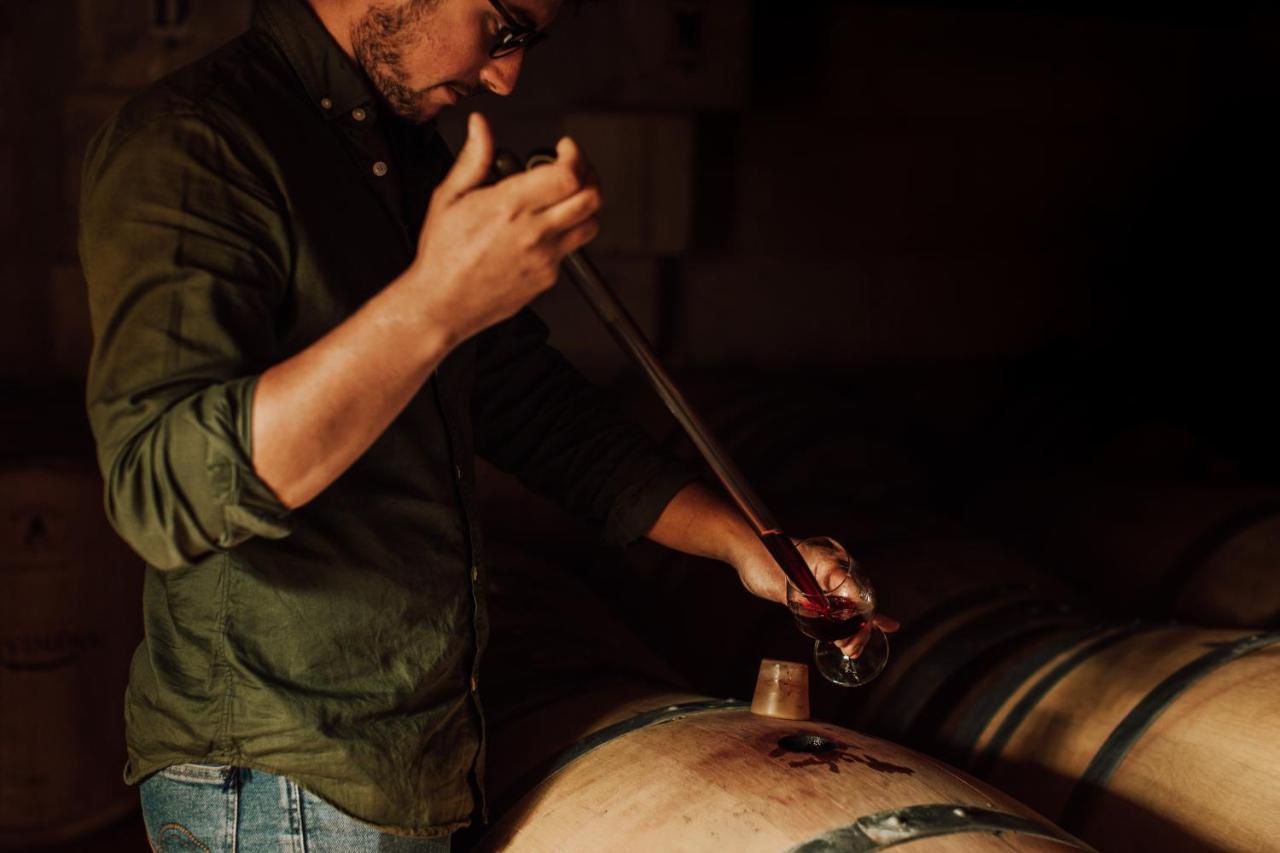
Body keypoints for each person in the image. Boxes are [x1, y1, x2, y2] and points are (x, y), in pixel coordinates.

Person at [80, 0, 893, 848]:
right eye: (503, 25)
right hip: (285, 777)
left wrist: (742, 543)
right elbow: (163, 489)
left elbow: (526, 401)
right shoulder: (196, 141)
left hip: (414, 756)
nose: (506, 76)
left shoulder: (399, 153)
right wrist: (435, 303)